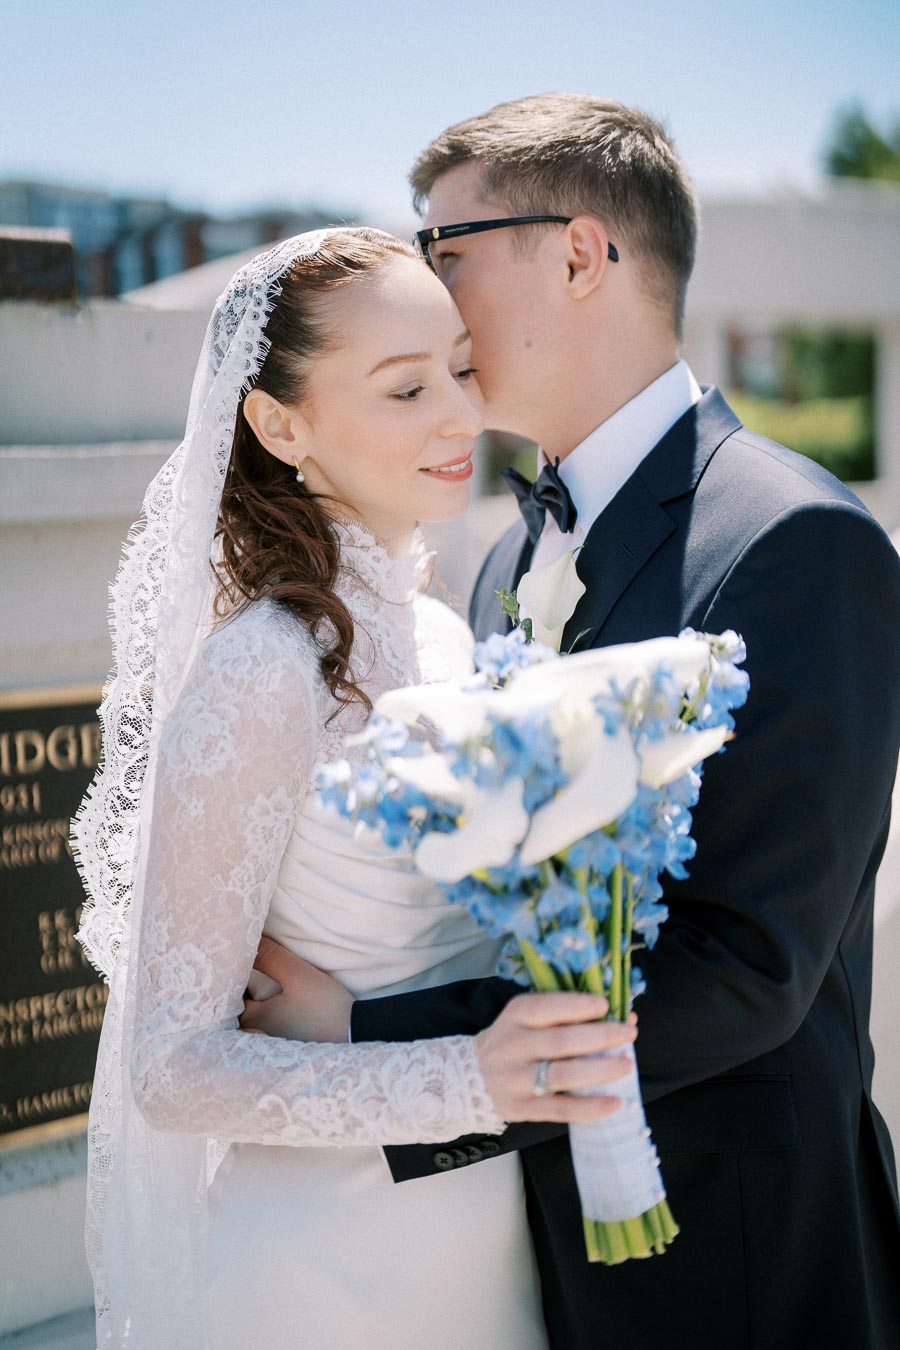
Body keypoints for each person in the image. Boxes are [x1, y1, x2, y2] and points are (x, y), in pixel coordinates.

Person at [244, 97, 900, 1349]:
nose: (430, 295)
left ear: (583, 254)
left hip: (738, 1255)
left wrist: (368, 1040)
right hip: (529, 1247)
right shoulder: (499, 558)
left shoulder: (794, 541)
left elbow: (749, 972)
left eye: (448, 250)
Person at [70, 225, 642, 1350]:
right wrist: (470, 1079)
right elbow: (172, 1071)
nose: (461, 417)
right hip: (324, 1269)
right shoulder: (260, 668)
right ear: (279, 424)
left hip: (485, 1230)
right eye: (404, 389)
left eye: (462, 371)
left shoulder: (441, 628)